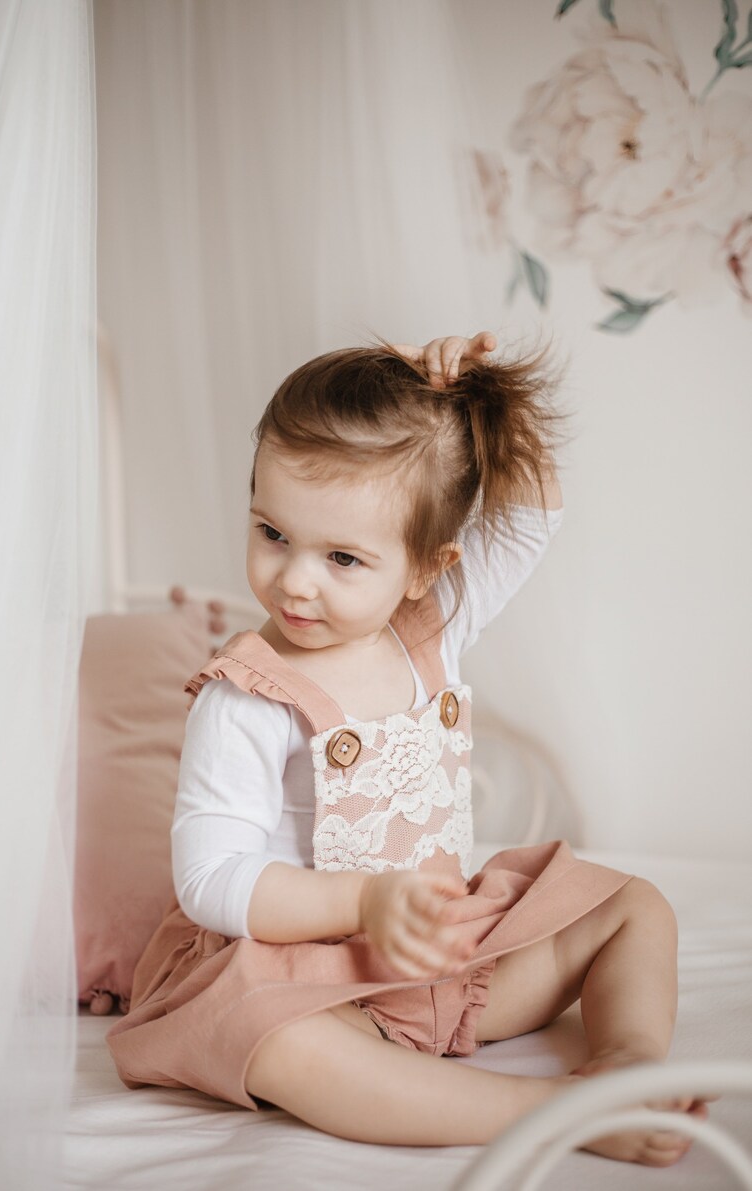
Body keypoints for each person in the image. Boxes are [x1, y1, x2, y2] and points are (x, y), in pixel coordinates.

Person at [106, 332, 708, 1166]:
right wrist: (363, 903)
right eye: (273, 532)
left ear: (428, 567)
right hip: (304, 977)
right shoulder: (244, 695)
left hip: (437, 956)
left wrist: (484, 395)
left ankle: (627, 1062)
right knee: (275, 1041)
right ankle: (544, 1109)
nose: (296, 581)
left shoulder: (436, 626)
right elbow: (210, 879)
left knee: (634, 906)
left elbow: (532, 517)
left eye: (343, 557)